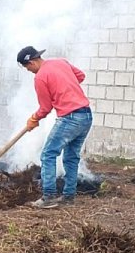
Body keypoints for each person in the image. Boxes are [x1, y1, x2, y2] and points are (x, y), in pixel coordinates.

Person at [17, 46, 92, 209]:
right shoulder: (60, 62)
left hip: (70, 118)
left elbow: (45, 108)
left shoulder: (40, 77)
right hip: (86, 116)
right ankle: (69, 197)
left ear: (31, 62)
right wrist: (65, 86)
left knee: (48, 154)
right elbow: (81, 76)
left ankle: (49, 196)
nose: (28, 71)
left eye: (27, 67)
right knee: (71, 157)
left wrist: (33, 119)